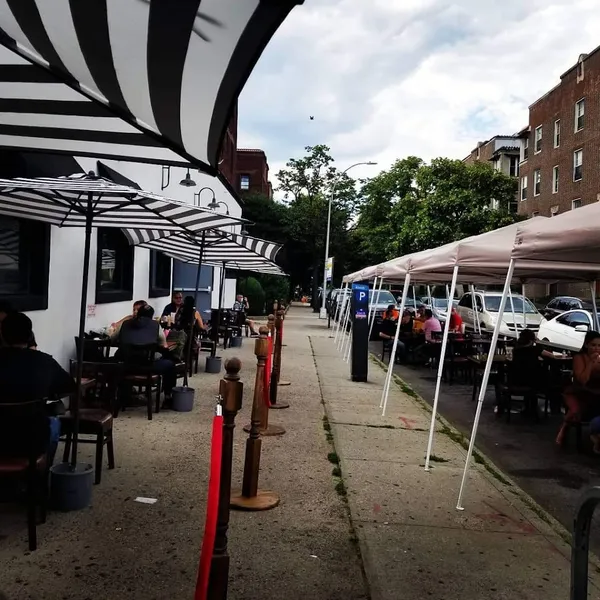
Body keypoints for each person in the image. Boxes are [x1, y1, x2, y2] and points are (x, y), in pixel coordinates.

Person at [0, 312, 75, 462]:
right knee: (54, 422)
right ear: (29, 336)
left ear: (2, 335)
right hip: (31, 442)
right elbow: (69, 387)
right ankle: (42, 473)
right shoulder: (44, 361)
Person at [113, 305, 177, 407]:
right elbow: (164, 344)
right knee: (170, 365)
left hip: (126, 366)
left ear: (138, 313)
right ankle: (168, 397)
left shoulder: (124, 324)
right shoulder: (156, 326)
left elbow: (113, 338)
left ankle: (122, 395)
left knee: (113, 362)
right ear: (151, 316)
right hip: (148, 367)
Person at [556, 331, 600, 446]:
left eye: (599, 346)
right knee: (576, 410)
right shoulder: (579, 358)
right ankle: (565, 426)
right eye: (593, 345)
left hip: (595, 392)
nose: (596, 348)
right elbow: (582, 380)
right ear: (586, 345)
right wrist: (591, 363)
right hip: (579, 391)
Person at [504, 329, 554, 417]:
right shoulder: (535, 349)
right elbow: (551, 356)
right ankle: (537, 409)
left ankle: (526, 407)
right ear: (532, 340)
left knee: (527, 378)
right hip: (534, 382)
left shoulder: (516, 350)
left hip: (516, 381)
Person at [171, 296, 207, 362]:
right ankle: (189, 362)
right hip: (190, 336)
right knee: (196, 343)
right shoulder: (195, 312)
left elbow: (175, 320)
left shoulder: (181, 310)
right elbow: (201, 326)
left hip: (179, 334)